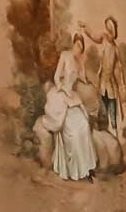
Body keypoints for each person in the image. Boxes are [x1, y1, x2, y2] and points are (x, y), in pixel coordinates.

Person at [39, 33, 97, 182]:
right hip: (61, 95)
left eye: (81, 48)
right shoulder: (65, 55)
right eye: (78, 45)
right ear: (74, 44)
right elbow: (56, 77)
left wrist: (84, 68)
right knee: (72, 132)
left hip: (73, 97)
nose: (79, 49)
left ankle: (88, 168)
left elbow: (82, 78)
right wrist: (63, 90)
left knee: (84, 125)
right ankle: (75, 169)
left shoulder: (78, 62)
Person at [80, 16, 126, 139]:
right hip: (102, 84)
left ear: (115, 32)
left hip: (111, 85)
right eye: (107, 28)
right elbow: (93, 35)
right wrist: (86, 27)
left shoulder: (116, 50)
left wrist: (122, 87)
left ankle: (115, 135)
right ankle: (104, 135)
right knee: (102, 109)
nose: (109, 31)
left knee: (112, 111)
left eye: (111, 29)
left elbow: (119, 71)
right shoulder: (104, 39)